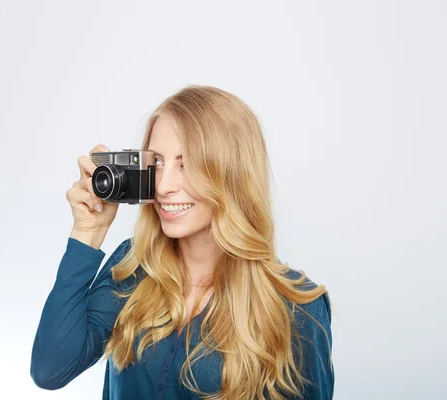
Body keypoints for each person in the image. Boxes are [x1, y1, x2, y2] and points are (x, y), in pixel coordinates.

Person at [30, 85, 334, 399]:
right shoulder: (133, 266)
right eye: (158, 163)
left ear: (232, 174)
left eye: (186, 164)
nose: (163, 186)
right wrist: (88, 233)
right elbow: (50, 370)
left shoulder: (298, 307)